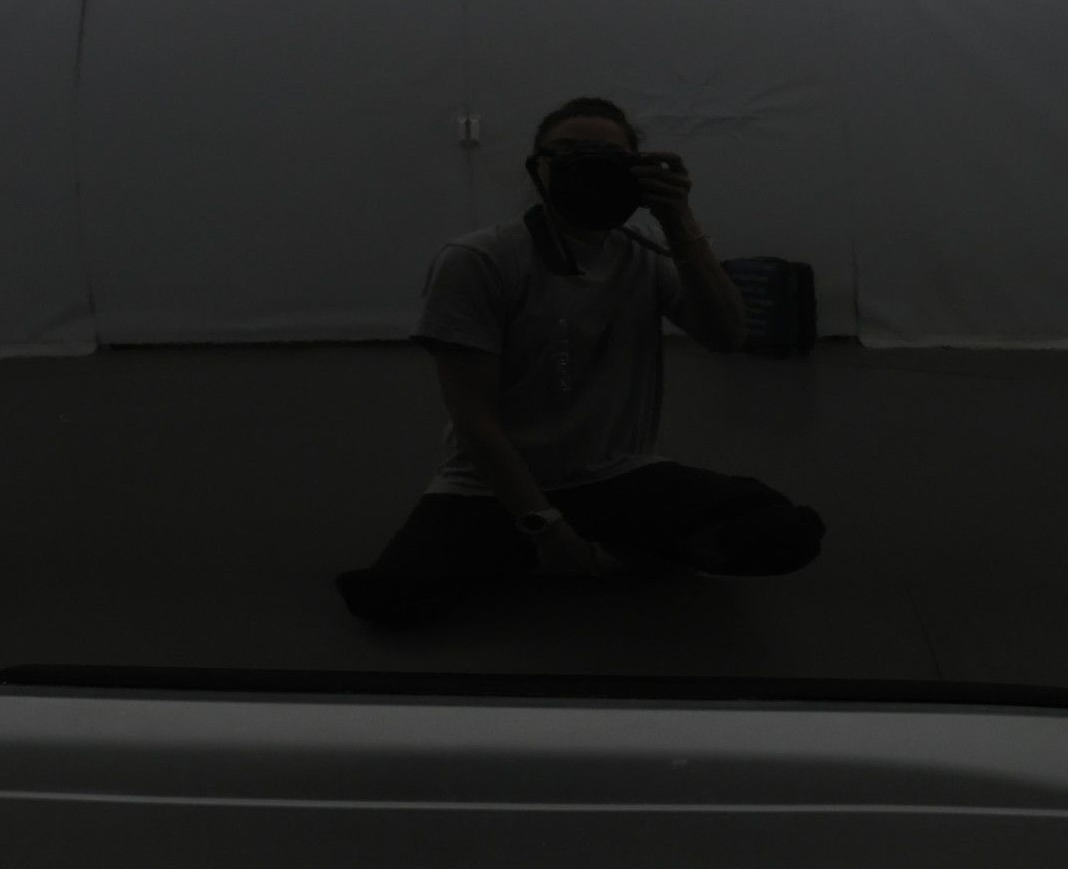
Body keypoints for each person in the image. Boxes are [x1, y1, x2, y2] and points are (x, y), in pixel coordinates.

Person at [335, 96, 826, 627]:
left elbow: (727, 335)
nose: (586, 166)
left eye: (606, 156)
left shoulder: (647, 251)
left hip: (618, 477)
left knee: (785, 530)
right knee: (389, 598)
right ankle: (607, 553)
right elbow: (475, 422)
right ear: (538, 166)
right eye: (568, 151)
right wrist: (546, 527)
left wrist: (679, 220)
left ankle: (578, 555)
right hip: (494, 489)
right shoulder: (478, 260)